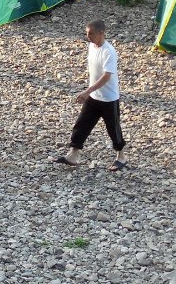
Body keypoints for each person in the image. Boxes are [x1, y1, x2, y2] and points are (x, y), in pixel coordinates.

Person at [55, 20, 128, 171]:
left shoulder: (109, 51)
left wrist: (87, 91)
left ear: (101, 33)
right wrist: (89, 90)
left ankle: (121, 156)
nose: (88, 36)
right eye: (87, 33)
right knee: (81, 125)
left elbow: (107, 76)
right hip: (94, 96)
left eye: (91, 33)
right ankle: (73, 155)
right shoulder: (91, 47)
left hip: (109, 98)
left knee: (113, 129)